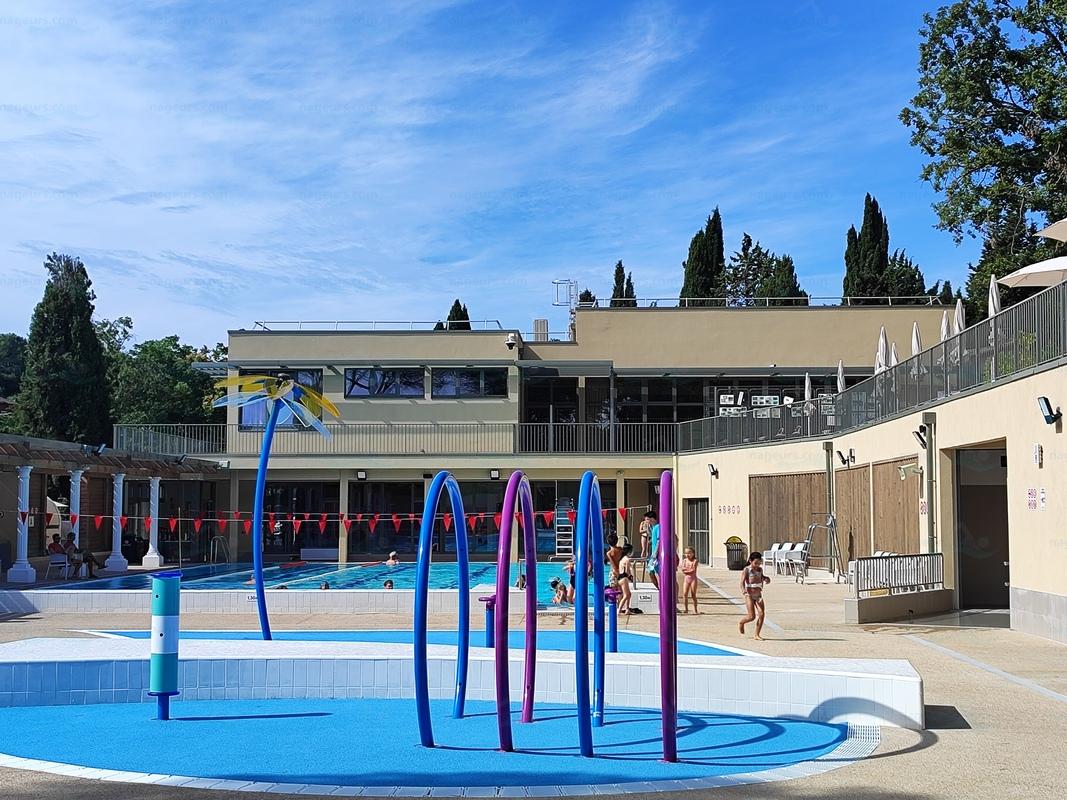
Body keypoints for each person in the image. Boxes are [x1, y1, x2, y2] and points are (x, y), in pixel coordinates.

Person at [739, 551, 771, 640]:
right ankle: (742, 622)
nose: (757, 565)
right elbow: (741, 583)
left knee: (761, 614)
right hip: (749, 595)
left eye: (759, 563)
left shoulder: (760, 570)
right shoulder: (747, 570)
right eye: (755, 563)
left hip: (758, 595)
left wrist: (766, 579)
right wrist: (744, 591)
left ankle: (757, 634)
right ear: (750, 561)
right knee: (751, 617)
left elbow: (762, 577)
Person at [681, 547, 700, 614]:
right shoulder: (684, 560)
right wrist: (686, 570)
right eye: (686, 553)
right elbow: (683, 569)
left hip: (693, 579)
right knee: (685, 594)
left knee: (693, 594)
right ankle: (686, 609)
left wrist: (686, 570)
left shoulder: (695, 561)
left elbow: (693, 570)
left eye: (689, 553)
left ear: (693, 553)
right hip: (686, 579)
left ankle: (695, 609)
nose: (687, 554)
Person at [616, 545, 634, 615]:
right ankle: (619, 610)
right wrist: (630, 576)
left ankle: (627, 609)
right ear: (629, 551)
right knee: (626, 595)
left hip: (620, 578)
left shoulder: (622, 559)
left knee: (629, 594)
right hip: (624, 579)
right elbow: (627, 571)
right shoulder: (627, 559)